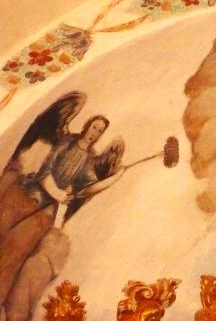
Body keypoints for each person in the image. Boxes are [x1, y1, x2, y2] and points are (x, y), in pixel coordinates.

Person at [0, 114, 124, 311]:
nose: (95, 132)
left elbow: (88, 189)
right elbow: (46, 169)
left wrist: (117, 176)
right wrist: (57, 193)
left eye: (100, 131)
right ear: (87, 125)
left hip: (43, 214)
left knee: (14, 255)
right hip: (26, 195)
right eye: (95, 127)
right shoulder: (67, 142)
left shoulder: (89, 161)